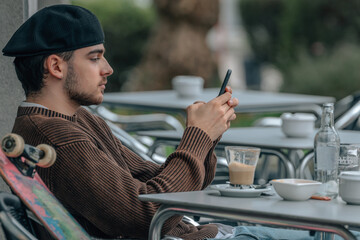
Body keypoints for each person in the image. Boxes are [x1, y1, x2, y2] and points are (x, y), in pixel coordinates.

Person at [2, 4, 238, 240]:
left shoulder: (79, 120)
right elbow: (148, 216)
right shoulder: (58, 137)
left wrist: (206, 135)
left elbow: (158, 182)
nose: (108, 69)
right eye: (95, 58)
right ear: (56, 66)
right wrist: (198, 136)